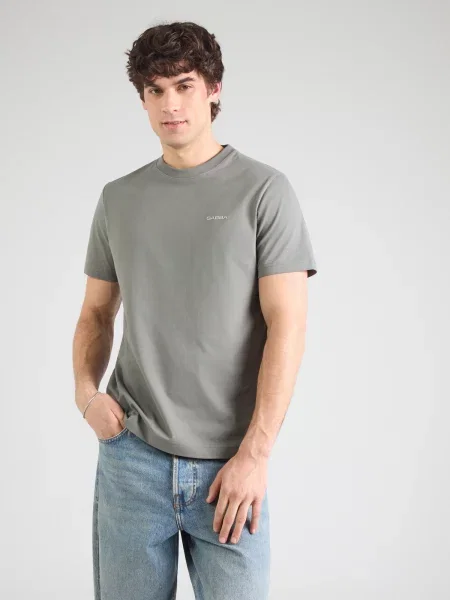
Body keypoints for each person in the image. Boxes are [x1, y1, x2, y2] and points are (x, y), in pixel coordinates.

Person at [72, 20, 318, 600]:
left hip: (230, 467)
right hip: (132, 458)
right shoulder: (118, 198)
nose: (170, 105)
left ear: (213, 88)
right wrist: (86, 396)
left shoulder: (264, 191)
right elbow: (96, 313)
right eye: (154, 90)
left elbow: (287, 325)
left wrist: (255, 454)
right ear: (142, 100)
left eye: (184, 85)